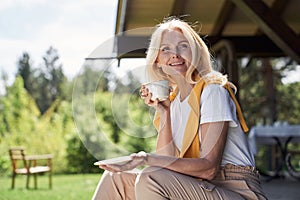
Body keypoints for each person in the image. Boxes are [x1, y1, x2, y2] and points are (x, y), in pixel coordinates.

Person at [92, 17, 267, 200]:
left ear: (196, 53)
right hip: (197, 185)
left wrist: (146, 158)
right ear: (157, 60)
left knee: (150, 177)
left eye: (183, 46)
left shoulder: (212, 91)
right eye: (165, 49)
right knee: (115, 178)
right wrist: (165, 112)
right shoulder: (174, 103)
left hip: (236, 190)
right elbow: (165, 167)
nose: (174, 54)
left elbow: (209, 168)